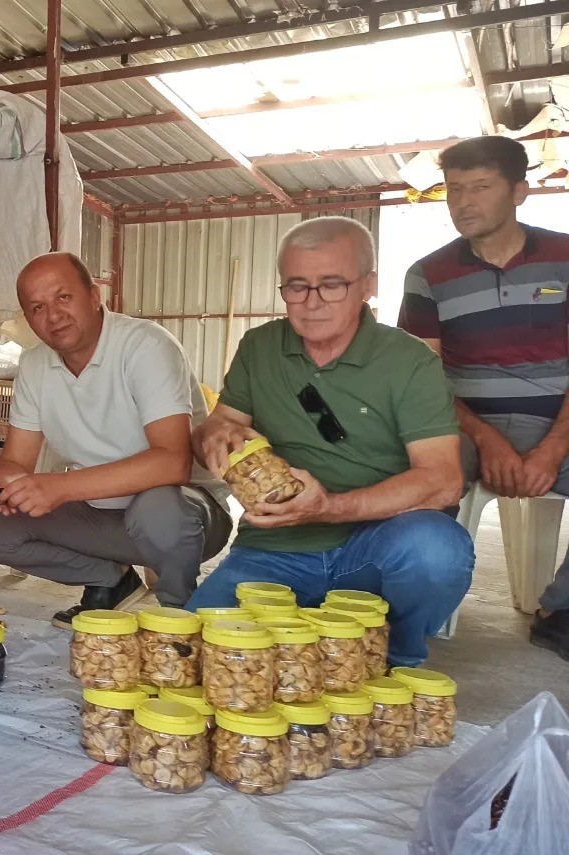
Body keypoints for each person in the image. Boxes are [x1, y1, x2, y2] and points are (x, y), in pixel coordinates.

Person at [188, 216, 474, 668]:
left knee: (436, 550)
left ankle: (394, 657)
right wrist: (214, 435)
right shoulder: (260, 347)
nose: (312, 302)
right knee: (198, 660)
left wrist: (329, 508)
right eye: (297, 286)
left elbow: (442, 481)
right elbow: (219, 423)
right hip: (273, 553)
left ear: (368, 285)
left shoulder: (408, 361)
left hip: (373, 546)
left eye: (332, 285)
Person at [0, 253, 234, 626]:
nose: (53, 315)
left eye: (64, 298)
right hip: (100, 516)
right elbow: (17, 462)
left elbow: (173, 462)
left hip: (188, 517)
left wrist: (59, 487)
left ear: (93, 296)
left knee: (157, 508)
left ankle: (178, 613)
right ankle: (110, 581)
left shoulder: (145, 346)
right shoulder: (35, 366)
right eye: (37, 307)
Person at [398, 136, 569, 659]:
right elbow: (419, 379)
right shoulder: (429, 275)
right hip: (465, 424)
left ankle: (559, 609)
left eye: (480, 187)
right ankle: (414, 609)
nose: (463, 202)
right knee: (417, 479)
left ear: (519, 191)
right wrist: (485, 438)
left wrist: (552, 449)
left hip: (559, 423)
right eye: (453, 189)